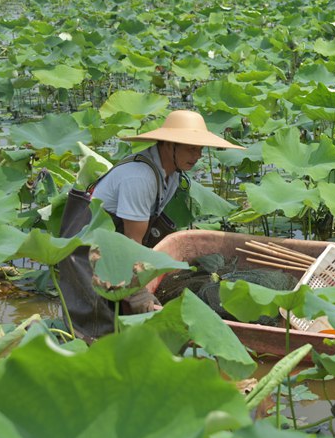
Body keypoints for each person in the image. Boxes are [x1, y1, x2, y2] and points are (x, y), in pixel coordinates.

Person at [59, 109, 244, 337]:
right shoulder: (140, 177)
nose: (197, 155)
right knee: (95, 330)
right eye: (190, 148)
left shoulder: (172, 174)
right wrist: (138, 292)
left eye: (200, 148)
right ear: (168, 144)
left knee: (122, 325)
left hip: (115, 248)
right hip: (86, 251)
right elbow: (132, 240)